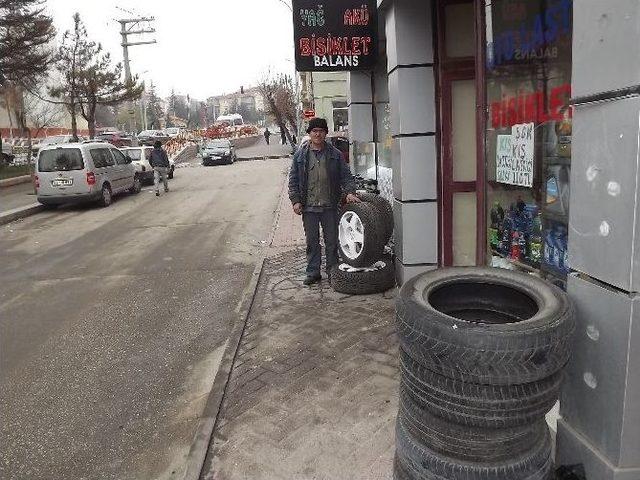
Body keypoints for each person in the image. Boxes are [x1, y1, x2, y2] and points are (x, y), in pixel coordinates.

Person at [288, 117, 360, 286]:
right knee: (312, 242)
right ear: (310, 134)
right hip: (309, 207)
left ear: (325, 133)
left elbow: (346, 176)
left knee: (332, 242)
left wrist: (349, 192)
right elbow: (293, 179)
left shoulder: (335, 155)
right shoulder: (300, 155)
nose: (317, 134)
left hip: (330, 207)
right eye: (314, 131)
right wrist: (296, 200)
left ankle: (332, 271)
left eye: (321, 131)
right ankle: (313, 272)